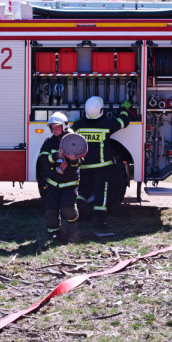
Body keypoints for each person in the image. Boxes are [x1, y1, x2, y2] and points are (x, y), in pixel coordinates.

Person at [73, 96, 133, 235]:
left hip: (85, 168)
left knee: (82, 192)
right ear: (101, 110)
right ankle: (99, 221)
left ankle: (79, 215)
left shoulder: (79, 126)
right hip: (102, 168)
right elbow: (123, 122)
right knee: (101, 194)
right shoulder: (106, 125)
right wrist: (124, 109)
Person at [36, 112, 83, 242]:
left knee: (67, 208)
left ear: (64, 126)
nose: (55, 130)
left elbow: (78, 162)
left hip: (69, 183)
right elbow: (43, 159)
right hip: (53, 183)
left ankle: (72, 233)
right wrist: (56, 156)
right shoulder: (49, 142)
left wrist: (70, 161)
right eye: (52, 128)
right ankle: (54, 234)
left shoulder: (73, 140)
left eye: (57, 127)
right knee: (51, 211)